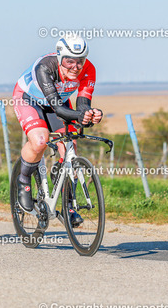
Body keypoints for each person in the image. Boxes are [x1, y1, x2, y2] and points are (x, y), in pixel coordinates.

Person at [12, 35, 103, 225]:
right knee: (40, 141)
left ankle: (68, 204)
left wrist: (90, 114)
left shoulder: (89, 69)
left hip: (58, 102)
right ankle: (23, 180)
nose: (75, 67)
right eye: (70, 61)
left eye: (80, 61)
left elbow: (82, 105)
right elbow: (58, 109)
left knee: (70, 148)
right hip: (29, 99)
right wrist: (80, 116)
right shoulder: (45, 67)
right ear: (60, 57)